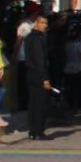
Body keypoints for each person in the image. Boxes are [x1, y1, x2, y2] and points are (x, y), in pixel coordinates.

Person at [23, 13, 52, 141]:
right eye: (42, 23)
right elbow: (40, 60)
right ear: (35, 23)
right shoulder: (36, 38)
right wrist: (45, 78)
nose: (45, 26)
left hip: (32, 74)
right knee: (39, 104)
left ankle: (33, 131)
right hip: (38, 75)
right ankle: (38, 131)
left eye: (46, 23)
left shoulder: (32, 37)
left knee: (33, 103)